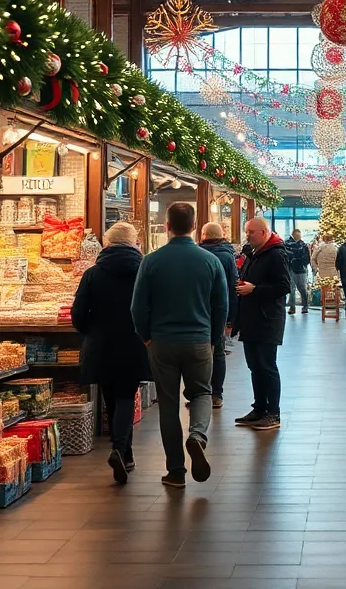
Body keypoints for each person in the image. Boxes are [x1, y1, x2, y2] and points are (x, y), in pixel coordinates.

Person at [132, 203, 228, 488]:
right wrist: (212, 338)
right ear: (195, 226)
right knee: (201, 394)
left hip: (162, 342)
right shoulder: (210, 261)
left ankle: (175, 471)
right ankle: (197, 436)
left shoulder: (151, 261)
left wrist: (146, 336)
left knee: (169, 405)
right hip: (199, 339)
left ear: (167, 226)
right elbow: (221, 305)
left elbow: (138, 306)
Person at [71, 221, 153, 485]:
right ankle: (122, 450)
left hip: (102, 344)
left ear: (106, 243)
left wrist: (91, 331)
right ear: (134, 242)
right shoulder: (145, 271)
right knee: (127, 395)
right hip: (134, 342)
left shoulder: (93, 274)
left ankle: (123, 451)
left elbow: (78, 315)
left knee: (111, 397)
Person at [234, 216, 290, 430]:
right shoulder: (253, 254)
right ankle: (259, 408)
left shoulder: (276, 254)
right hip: (251, 318)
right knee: (254, 366)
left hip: (267, 319)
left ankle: (273, 413)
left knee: (267, 366)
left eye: (251, 232)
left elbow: (284, 286)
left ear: (264, 233)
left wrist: (254, 290)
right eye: (246, 231)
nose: (247, 235)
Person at [199, 221, 239, 410]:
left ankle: (200, 393)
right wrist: (231, 317)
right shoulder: (228, 255)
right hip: (219, 311)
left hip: (199, 311)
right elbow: (233, 286)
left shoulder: (199, 255)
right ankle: (217, 394)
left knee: (198, 354)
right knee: (218, 352)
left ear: (203, 235)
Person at [284, 228, 311, 314]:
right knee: (296, 288)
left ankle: (295, 307)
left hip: (293, 268)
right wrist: (304, 264)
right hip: (298, 269)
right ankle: (302, 306)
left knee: (298, 288)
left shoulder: (287, 244)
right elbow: (307, 258)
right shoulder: (303, 245)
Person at [312, 234, 339, 308]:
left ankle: (324, 303)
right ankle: (333, 303)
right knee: (333, 288)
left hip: (322, 271)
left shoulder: (319, 247)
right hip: (333, 271)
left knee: (324, 288)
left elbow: (313, 259)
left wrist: (317, 268)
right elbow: (339, 260)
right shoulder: (336, 248)